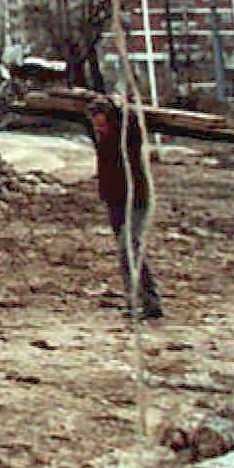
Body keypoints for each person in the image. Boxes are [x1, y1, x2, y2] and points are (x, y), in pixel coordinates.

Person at [84, 94, 162, 321]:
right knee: (129, 252)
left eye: (101, 120)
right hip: (114, 201)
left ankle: (141, 301)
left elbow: (133, 120)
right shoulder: (98, 136)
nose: (98, 125)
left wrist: (118, 103)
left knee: (129, 249)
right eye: (94, 120)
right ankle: (144, 302)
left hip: (136, 200)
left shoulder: (126, 134)